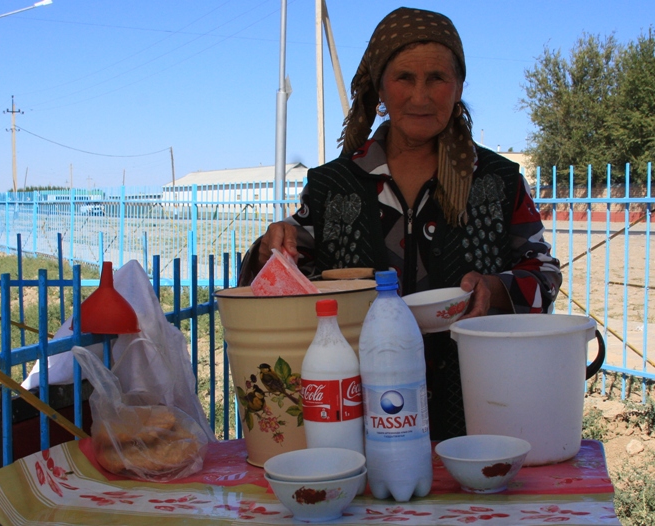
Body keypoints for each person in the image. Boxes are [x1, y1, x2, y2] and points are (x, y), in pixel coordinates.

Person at [239, 7, 561, 440]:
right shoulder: (331, 185)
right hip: (358, 415)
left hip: (476, 411)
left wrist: (497, 289)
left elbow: (542, 272)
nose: (421, 96)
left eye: (437, 78)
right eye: (404, 78)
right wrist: (270, 250)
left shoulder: (498, 181)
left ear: (459, 85)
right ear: (380, 88)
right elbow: (291, 279)